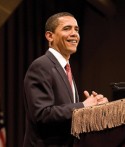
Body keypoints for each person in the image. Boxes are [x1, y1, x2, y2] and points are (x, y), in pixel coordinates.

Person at [23, 12, 108, 147]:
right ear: (50, 36)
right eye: (67, 28)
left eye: (76, 29)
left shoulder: (64, 68)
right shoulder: (42, 66)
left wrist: (94, 108)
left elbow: (66, 118)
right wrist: (83, 105)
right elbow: (42, 114)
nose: (74, 33)